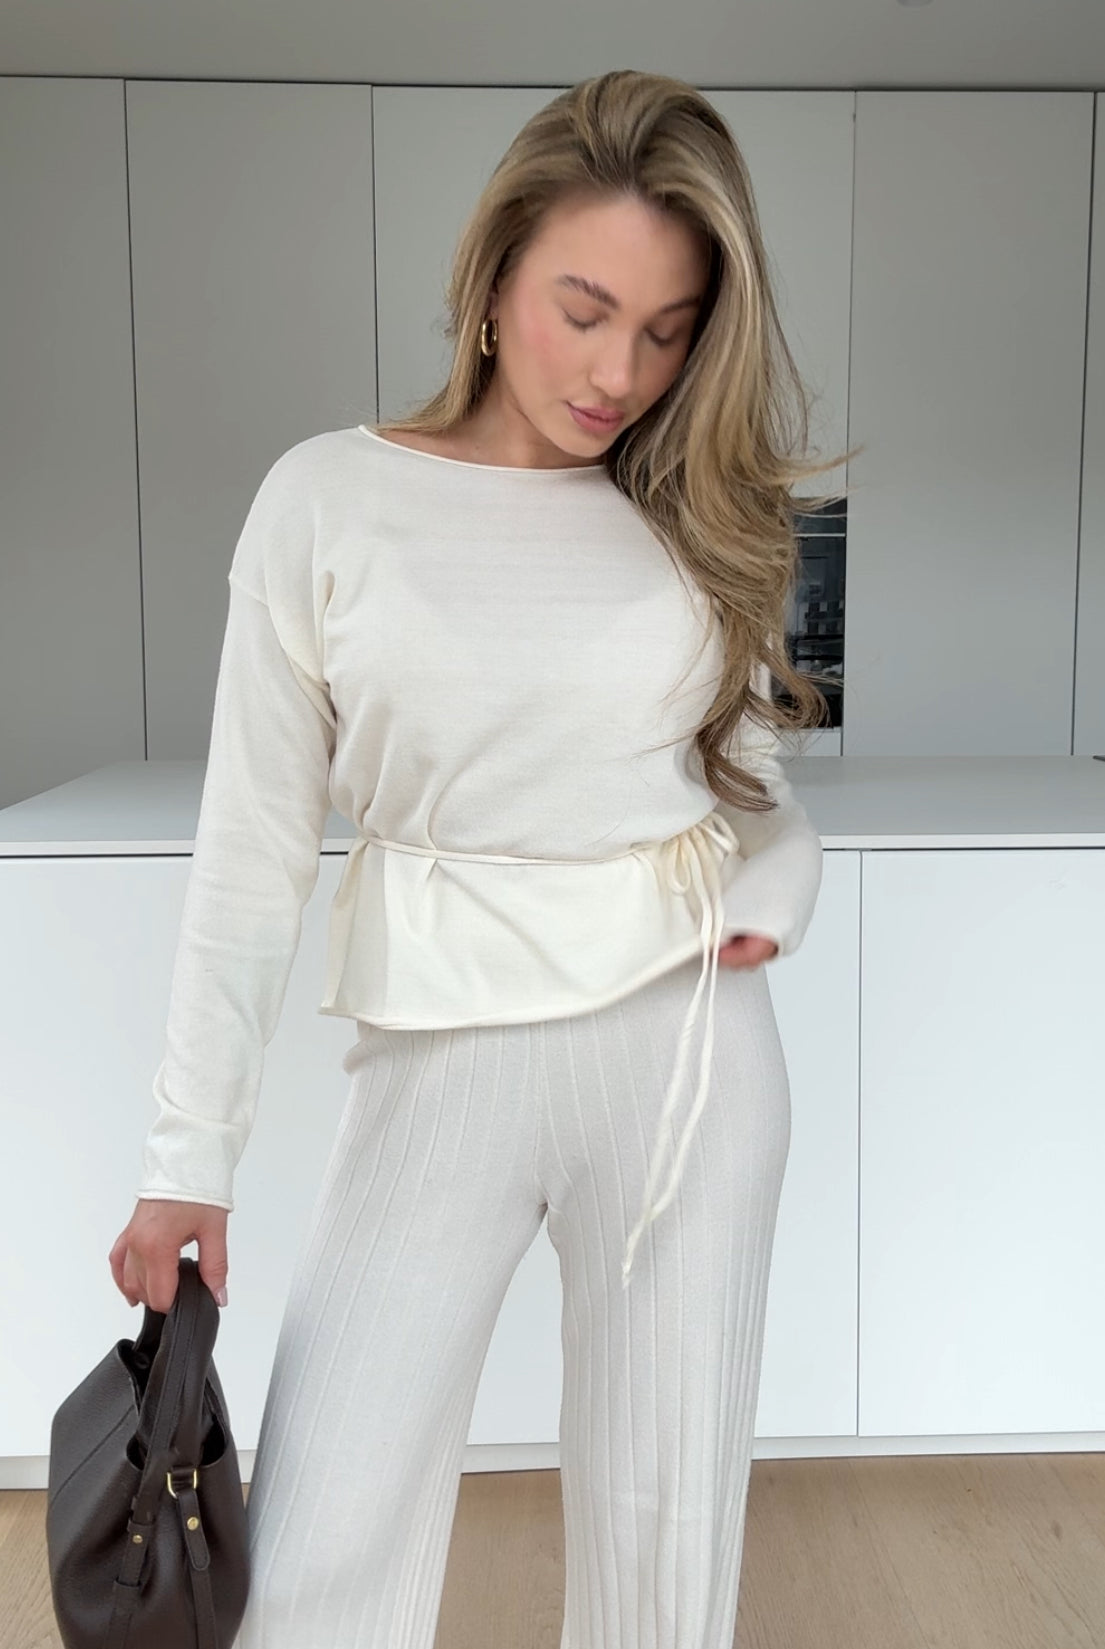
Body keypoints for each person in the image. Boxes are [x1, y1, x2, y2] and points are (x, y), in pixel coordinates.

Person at [108, 67, 853, 1649]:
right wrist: (188, 1156)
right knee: (316, 1550)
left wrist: (770, 897)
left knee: (663, 1551)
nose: (618, 371)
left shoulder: (692, 512)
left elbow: (755, 795)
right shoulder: (328, 501)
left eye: (666, 331)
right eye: (585, 309)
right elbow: (251, 848)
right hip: (438, 1052)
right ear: (495, 270)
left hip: (685, 1056)